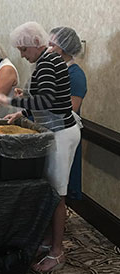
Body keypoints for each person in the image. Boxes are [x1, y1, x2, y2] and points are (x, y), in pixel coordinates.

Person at [0, 22, 81, 272]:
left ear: (34, 44)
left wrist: (9, 100)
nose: (21, 55)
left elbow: (48, 100)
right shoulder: (45, 61)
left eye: (23, 50)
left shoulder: (49, 62)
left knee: (57, 194)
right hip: (55, 129)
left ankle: (57, 252)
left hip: (62, 132)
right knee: (51, 190)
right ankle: (50, 239)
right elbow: (46, 97)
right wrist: (22, 113)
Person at [48, 27, 87, 201]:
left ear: (61, 48)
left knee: (61, 185)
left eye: (51, 45)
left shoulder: (76, 75)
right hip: (50, 130)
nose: (48, 49)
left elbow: (70, 109)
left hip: (64, 133)